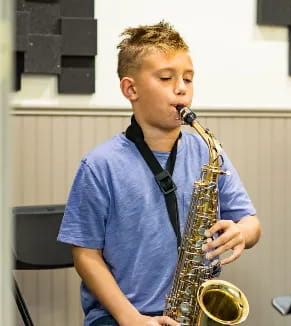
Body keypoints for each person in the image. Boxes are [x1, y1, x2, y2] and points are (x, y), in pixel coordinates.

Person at [57, 21, 261, 326]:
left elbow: (251, 223)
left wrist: (241, 233)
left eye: (188, 79)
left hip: (192, 309)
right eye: (166, 78)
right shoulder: (100, 165)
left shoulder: (208, 150)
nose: (181, 88)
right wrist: (132, 319)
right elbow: (85, 255)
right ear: (131, 89)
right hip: (120, 316)